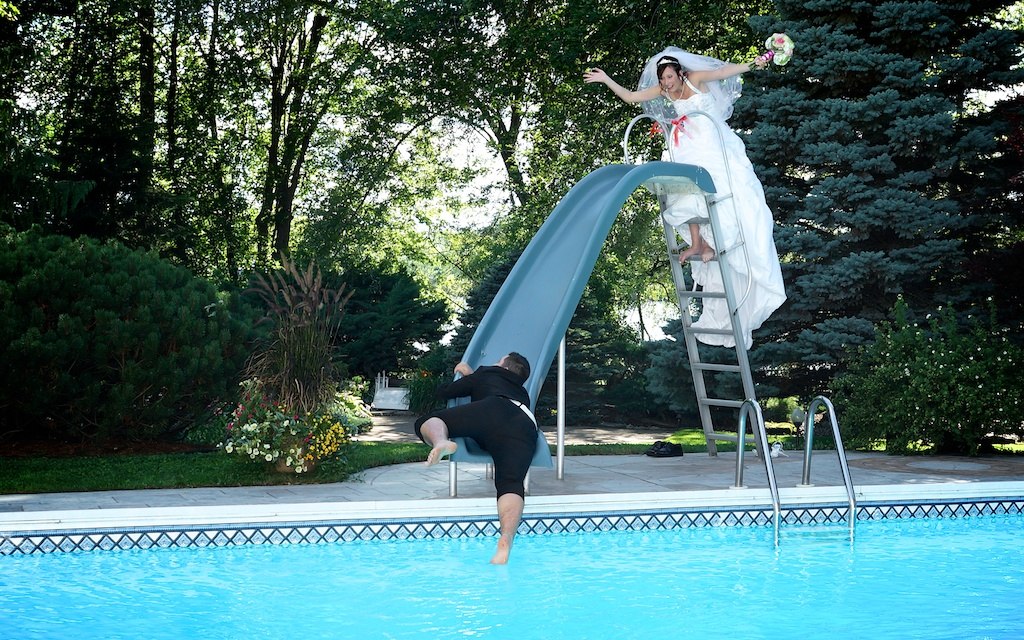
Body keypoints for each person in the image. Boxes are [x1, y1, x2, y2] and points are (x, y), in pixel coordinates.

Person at [583, 47, 786, 349]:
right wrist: (605, 79)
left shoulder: (695, 79)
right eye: (662, 81)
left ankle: (715, 241)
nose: (665, 84)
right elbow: (631, 98)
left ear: (679, 73)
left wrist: (754, 63)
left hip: (712, 143)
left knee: (718, 193)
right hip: (689, 145)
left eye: (668, 78)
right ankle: (698, 242)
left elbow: (724, 72)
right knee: (683, 189)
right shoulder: (665, 92)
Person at [414, 352, 537, 564]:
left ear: (504, 367)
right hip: (524, 422)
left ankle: (441, 441)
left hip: (491, 410)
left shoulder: (487, 373)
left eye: (498, 360)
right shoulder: (521, 390)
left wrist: (466, 375)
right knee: (511, 482)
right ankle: (506, 538)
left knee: (428, 420)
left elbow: (446, 392)